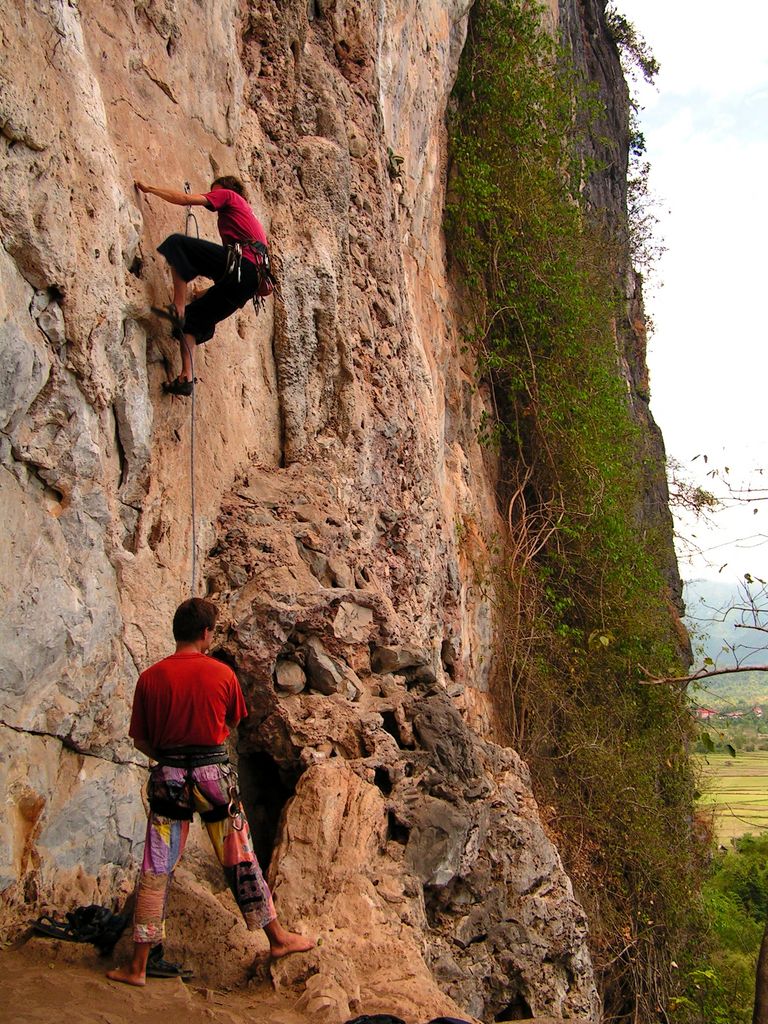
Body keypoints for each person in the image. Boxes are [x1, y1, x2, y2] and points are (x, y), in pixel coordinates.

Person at [107, 597, 313, 987]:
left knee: (156, 868)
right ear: (205, 633)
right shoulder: (221, 675)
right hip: (213, 777)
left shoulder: (150, 678)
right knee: (241, 858)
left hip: (169, 778)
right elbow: (233, 720)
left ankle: (137, 967)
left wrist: (170, 756)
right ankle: (278, 938)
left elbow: (140, 741)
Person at [134, 176, 273, 396]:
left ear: (225, 188)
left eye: (213, 190)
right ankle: (186, 378)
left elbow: (185, 199)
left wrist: (151, 188)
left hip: (241, 267)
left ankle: (177, 306)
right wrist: (203, 293)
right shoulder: (249, 221)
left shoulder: (229, 196)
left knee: (178, 245)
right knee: (193, 321)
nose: (211, 194)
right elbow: (239, 281)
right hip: (249, 283)